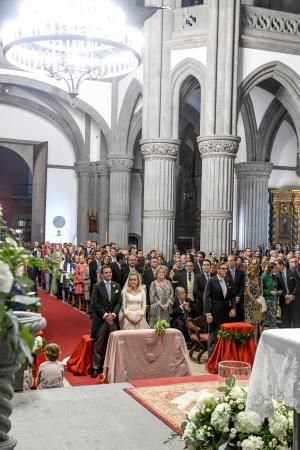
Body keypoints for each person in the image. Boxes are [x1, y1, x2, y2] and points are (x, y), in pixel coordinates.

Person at [90, 265, 122, 377]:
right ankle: (95, 367)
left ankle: (114, 366)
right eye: (106, 273)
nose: (109, 274)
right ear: (102, 275)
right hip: (101, 319)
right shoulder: (97, 286)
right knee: (99, 343)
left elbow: (119, 303)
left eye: (110, 272)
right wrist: (105, 315)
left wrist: (113, 314)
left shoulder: (116, 286)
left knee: (115, 342)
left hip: (113, 319)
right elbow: (95, 303)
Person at [203, 262, 236, 357]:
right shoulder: (211, 281)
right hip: (214, 312)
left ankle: (223, 357)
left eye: (226, 269)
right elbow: (206, 297)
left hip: (226, 312)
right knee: (213, 336)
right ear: (218, 270)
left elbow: (233, 296)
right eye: (223, 269)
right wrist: (208, 313)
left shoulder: (229, 280)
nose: (225, 270)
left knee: (225, 334)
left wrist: (233, 308)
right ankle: (211, 359)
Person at [244, 263, 263, 340]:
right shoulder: (247, 278)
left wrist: (260, 300)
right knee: (250, 323)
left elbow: (261, 290)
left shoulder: (259, 278)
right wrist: (255, 301)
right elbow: (248, 292)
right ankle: (249, 343)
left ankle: (255, 342)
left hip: (258, 304)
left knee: (257, 323)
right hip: (250, 303)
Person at [261, 262, 282, 329]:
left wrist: (278, 291)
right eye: (275, 268)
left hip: (274, 300)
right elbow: (261, 290)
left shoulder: (274, 276)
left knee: (273, 319)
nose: (277, 269)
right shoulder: (264, 276)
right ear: (271, 268)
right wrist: (270, 292)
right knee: (266, 320)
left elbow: (275, 286)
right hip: (267, 300)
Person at [225, 254, 245, 322]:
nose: (229, 262)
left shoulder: (241, 272)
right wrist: (233, 298)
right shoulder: (224, 272)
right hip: (229, 300)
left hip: (239, 300)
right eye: (228, 261)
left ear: (235, 261)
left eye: (231, 260)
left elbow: (242, 286)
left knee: (238, 320)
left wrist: (238, 296)